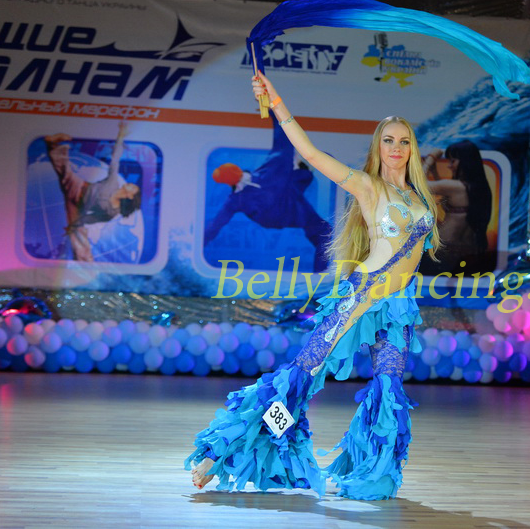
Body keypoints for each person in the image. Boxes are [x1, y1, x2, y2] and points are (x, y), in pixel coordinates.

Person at [185, 70, 441, 500]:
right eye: (388, 140)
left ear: (412, 148)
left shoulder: (420, 198)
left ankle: (372, 472)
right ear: (377, 147)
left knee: (388, 387)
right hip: (362, 295)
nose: (396, 148)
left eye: (404, 141)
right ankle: (225, 452)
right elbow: (309, 152)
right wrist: (277, 104)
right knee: (301, 375)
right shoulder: (368, 186)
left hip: (397, 307)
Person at [204, 113, 333, 272]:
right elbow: (282, 139)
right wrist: (275, 113)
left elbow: (216, 224)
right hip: (284, 208)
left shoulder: (237, 199)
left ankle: (320, 273)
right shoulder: (275, 168)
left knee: (322, 231)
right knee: (323, 231)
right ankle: (320, 274)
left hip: (277, 212)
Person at [44, 122, 142, 262]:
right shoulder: (113, 182)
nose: (131, 184)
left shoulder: (113, 211)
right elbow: (115, 159)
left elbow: (93, 218)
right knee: (65, 172)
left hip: (78, 208)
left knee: (78, 233)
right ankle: (53, 144)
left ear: (130, 196)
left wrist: (76, 223)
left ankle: (84, 263)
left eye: (133, 188)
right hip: (78, 187)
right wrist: (120, 137)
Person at [420, 140, 494, 275]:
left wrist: (430, 159)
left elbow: (419, 186)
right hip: (464, 253)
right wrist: (435, 172)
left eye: (452, 161)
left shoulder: (455, 187)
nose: (449, 166)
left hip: (443, 252)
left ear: (465, 162)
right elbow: (445, 192)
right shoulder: (480, 188)